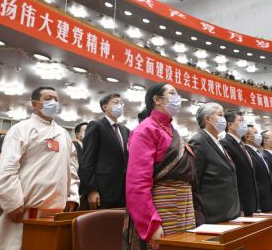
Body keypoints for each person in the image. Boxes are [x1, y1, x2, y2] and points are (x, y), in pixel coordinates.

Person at [0, 86, 79, 250]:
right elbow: (7, 169)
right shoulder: (20, 129)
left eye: (56, 99)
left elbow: (72, 169)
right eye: (48, 98)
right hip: (20, 212)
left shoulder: (64, 134)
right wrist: (12, 202)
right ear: (35, 104)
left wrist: (72, 196)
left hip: (55, 214)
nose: (53, 103)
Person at [126, 83, 196, 250]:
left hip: (186, 205)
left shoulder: (172, 130)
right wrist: (152, 223)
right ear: (157, 100)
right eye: (172, 93)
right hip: (163, 206)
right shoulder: (145, 130)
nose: (177, 97)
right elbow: (137, 184)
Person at [189, 103, 241, 224]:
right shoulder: (198, 142)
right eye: (220, 115)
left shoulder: (218, 142)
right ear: (207, 119)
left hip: (230, 212)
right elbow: (195, 182)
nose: (224, 119)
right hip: (212, 215)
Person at [80, 94, 130, 209]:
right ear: (105, 107)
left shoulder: (125, 130)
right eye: (115, 102)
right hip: (103, 190)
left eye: (121, 103)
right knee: (102, 225)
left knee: (119, 225)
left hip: (122, 190)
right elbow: (88, 160)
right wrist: (91, 189)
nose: (120, 106)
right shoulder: (96, 126)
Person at [220, 110, 260, 215]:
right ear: (230, 125)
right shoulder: (225, 143)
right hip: (240, 204)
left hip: (252, 202)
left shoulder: (242, 145)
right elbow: (231, 178)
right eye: (241, 120)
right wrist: (239, 206)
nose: (244, 124)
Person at [244, 126, 272, 212]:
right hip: (260, 201)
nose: (259, 136)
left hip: (269, 198)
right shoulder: (247, 152)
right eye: (256, 133)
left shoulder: (259, 153)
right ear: (247, 137)